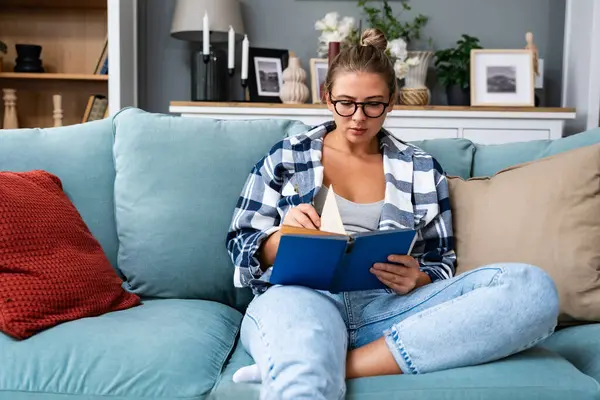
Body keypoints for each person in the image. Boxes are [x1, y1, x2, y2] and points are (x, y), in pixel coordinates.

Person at [225, 28, 559, 400]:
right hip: (301, 299)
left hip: (392, 308)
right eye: (346, 103)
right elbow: (240, 246)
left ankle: (327, 362)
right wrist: (278, 240)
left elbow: (440, 260)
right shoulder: (285, 157)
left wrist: (417, 280)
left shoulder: (420, 168)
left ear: (392, 102)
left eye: (373, 105)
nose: (358, 118)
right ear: (326, 97)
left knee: (532, 290)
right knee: (300, 375)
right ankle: (303, 360)